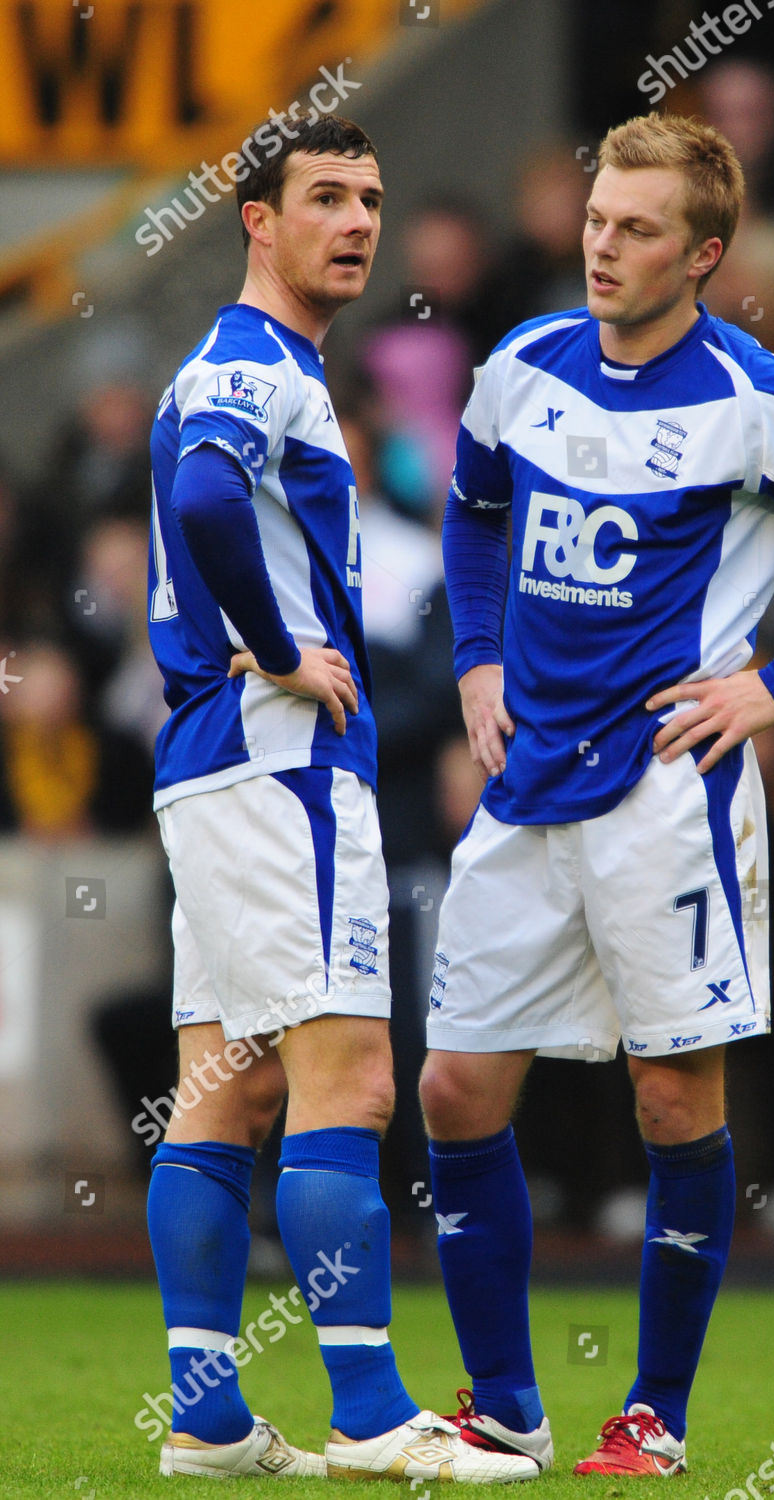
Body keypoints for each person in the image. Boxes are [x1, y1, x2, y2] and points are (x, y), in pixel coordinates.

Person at [418, 112, 774, 1476]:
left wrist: (772, 685)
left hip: (665, 793)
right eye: (597, 220)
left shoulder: (756, 395)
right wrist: (475, 658)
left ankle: (653, 1412)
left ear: (702, 253)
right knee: (454, 1093)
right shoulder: (522, 364)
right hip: (524, 779)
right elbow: (473, 513)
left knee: (672, 1103)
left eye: (638, 229)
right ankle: (503, 1411)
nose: (604, 246)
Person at [144, 112, 537, 1484]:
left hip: (207, 764)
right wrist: (279, 643)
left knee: (225, 1088)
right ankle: (370, 1417)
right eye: (323, 197)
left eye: (369, 198)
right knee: (351, 1081)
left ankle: (205, 1420)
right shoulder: (258, 367)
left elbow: (201, 505)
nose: (356, 221)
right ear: (258, 218)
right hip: (282, 764)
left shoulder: (244, 365)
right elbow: (203, 507)